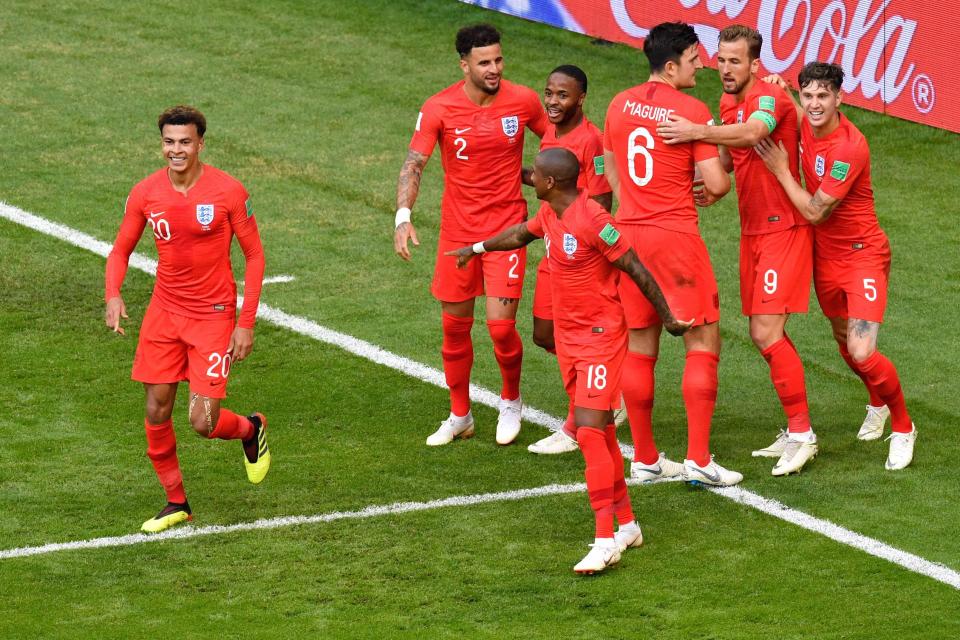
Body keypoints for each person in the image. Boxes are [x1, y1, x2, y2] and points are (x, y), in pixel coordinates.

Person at [447, 148, 690, 573]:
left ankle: (603, 541)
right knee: (604, 432)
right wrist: (477, 247)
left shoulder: (595, 220)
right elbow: (521, 234)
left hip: (600, 338)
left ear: (551, 183)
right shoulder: (550, 215)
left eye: (535, 175)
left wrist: (668, 316)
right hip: (571, 340)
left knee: (590, 433)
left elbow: (635, 267)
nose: (530, 178)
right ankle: (628, 524)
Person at [656, 25, 817, 476]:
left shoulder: (769, 96)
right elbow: (732, 156)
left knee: (767, 332)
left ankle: (803, 433)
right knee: (761, 333)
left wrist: (694, 130)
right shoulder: (728, 102)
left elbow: (753, 133)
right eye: (721, 59)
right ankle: (796, 428)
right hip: (754, 233)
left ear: (754, 64)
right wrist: (714, 186)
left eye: (734, 61)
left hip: (784, 228)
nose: (723, 68)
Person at [104, 105, 270, 533]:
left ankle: (250, 430)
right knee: (156, 409)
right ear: (161, 144)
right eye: (169, 142)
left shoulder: (228, 191)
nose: (176, 150)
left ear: (200, 144)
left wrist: (245, 321)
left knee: (204, 421)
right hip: (164, 314)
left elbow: (254, 257)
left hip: (213, 317)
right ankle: (176, 502)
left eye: (184, 142)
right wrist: (113, 294)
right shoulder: (145, 193)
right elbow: (121, 248)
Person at [756, 62, 917, 470]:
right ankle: (877, 404)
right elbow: (789, 106)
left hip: (863, 255)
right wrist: (775, 81)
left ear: (839, 98)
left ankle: (902, 427)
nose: (813, 105)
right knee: (845, 341)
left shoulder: (850, 146)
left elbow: (814, 211)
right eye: (808, 95)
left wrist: (780, 170)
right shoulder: (805, 119)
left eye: (823, 96)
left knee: (863, 348)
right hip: (825, 256)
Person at [393, 24, 547, 446]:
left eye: (498, 59)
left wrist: (554, 185)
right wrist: (403, 216)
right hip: (458, 234)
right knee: (454, 328)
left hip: (508, 232)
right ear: (464, 65)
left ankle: (511, 401)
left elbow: (557, 146)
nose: (494, 68)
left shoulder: (524, 101)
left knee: (500, 328)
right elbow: (414, 163)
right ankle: (460, 414)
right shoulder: (440, 107)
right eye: (484, 62)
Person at [602, 21, 742, 486]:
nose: (701, 65)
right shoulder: (690, 110)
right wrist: (711, 186)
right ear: (670, 64)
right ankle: (699, 460)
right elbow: (718, 183)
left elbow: (613, 168)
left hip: (628, 237)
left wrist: (628, 211)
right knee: (703, 341)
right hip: (675, 238)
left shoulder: (619, 104)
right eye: (693, 59)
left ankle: (644, 459)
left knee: (640, 348)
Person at [520, 64, 616, 456]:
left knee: (576, 339)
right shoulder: (549, 133)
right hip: (552, 247)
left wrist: (572, 237)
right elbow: (550, 182)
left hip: (578, 257)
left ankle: (577, 420)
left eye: (563, 95)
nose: (553, 101)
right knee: (545, 334)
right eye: (550, 93)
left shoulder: (591, 140)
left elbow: (603, 200)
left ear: (581, 98)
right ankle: (607, 388)